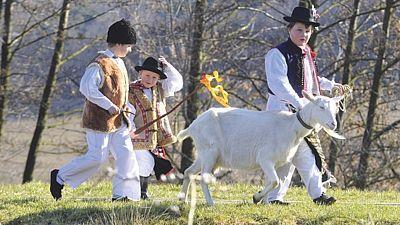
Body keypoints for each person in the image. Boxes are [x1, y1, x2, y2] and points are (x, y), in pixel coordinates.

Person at [50, 19, 141, 201]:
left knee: (126, 154)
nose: (130, 50)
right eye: (129, 46)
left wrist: (126, 108)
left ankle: (124, 195)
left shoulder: (120, 63)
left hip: (118, 120)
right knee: (96, 158)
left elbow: (120, 92)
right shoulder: (99, 64)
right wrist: (109, 106)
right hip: (99, 120)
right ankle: (60, 176)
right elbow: (86, 88)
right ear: (120, 43)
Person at [264, 6, 344, 205]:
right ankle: (311, 195)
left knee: (299, 155)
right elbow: (278, 84)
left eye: (308, 30)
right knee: (293, 156)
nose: (304, 34)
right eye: (300, 29)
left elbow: (311, 80)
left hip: (301, 116)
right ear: (289, 29)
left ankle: (285, 197)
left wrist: (331, 86)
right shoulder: (277, 54)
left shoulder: (306, 52)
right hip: (281, 114)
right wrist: (300, 104)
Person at [128, 56, 183, 200]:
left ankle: (140, 193)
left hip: (155, 137)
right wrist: (131, 130)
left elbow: (177, 83)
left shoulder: (160, 89)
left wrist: (168, 67)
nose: (150, 79)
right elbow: (128, 112)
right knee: (145, 161)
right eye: (147, 75)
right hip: (136, 135)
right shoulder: (131, 90)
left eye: (154, 77)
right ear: (140, 74)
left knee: (148, 163)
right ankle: (138, 192)